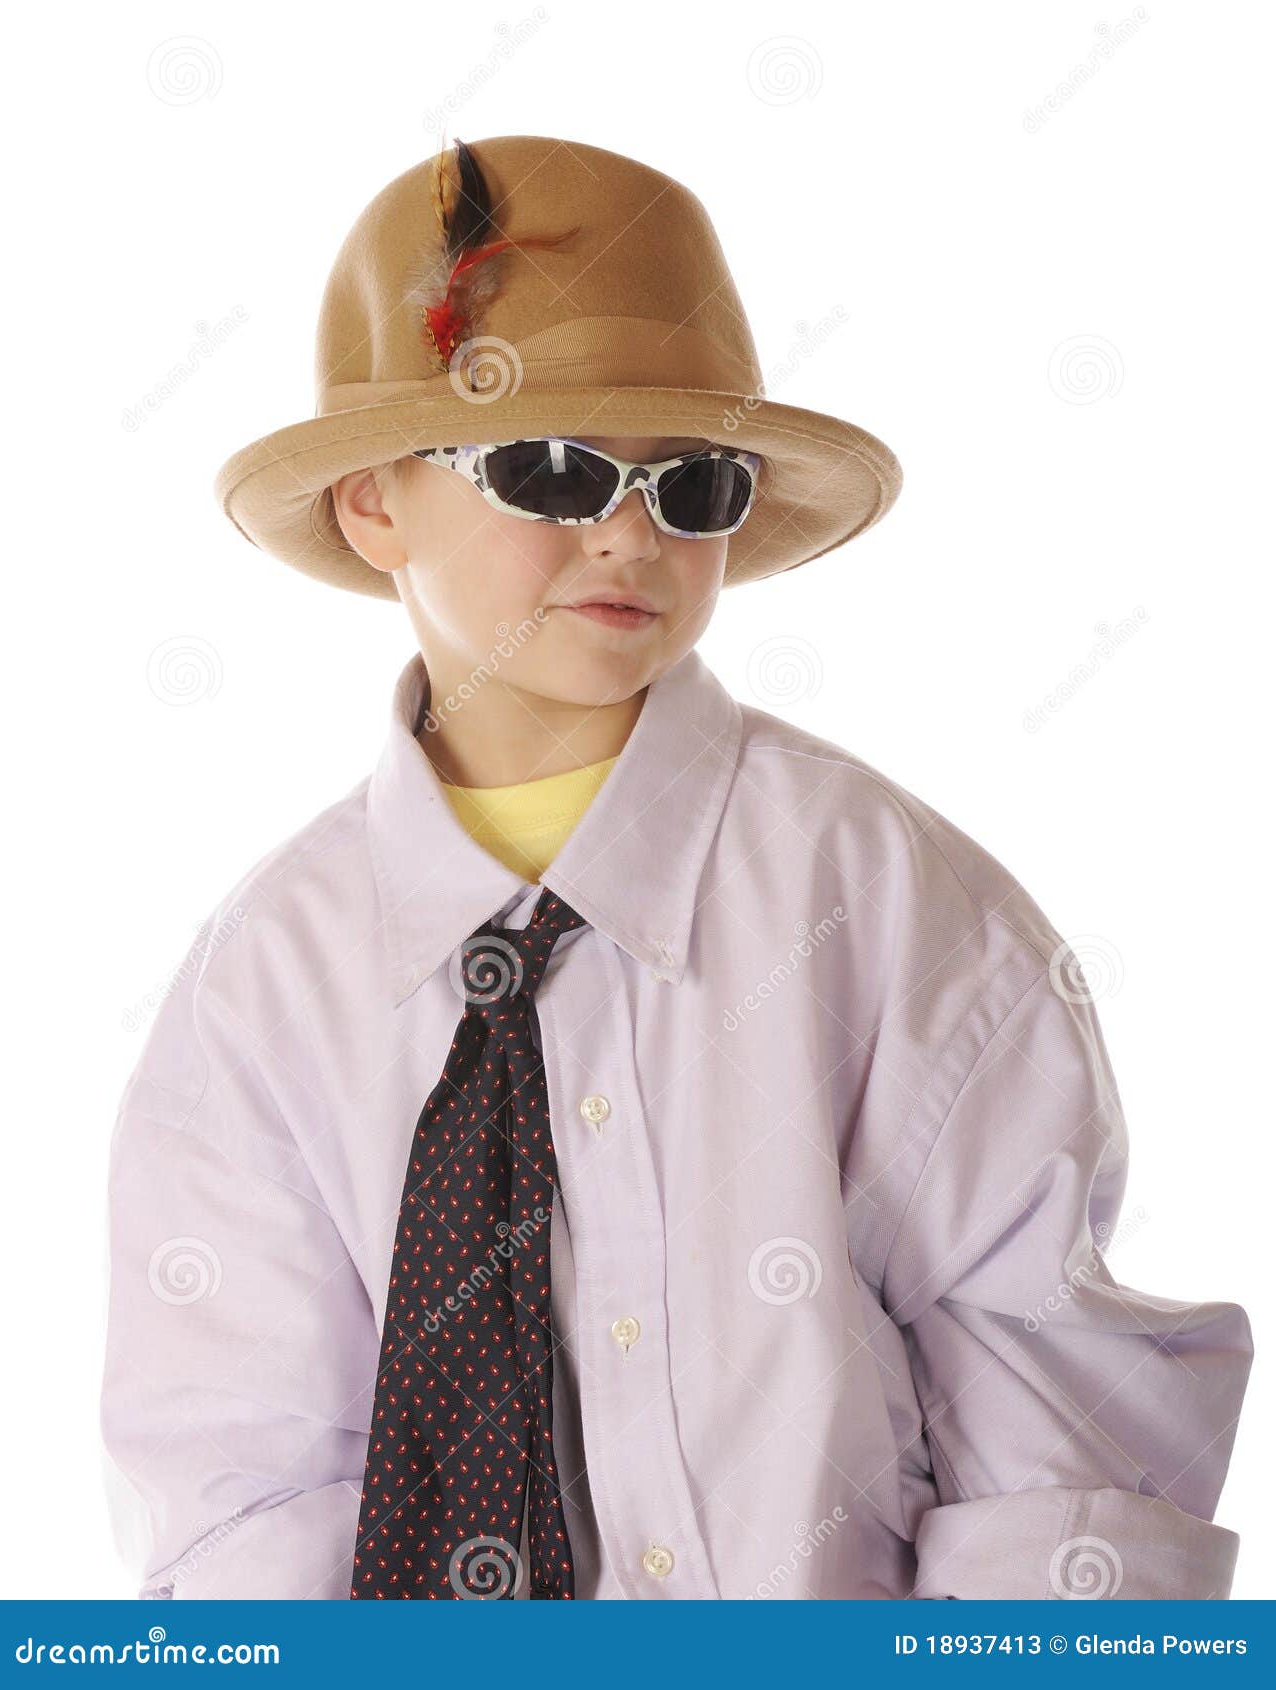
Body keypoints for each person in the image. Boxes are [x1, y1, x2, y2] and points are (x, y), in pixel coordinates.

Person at [99, 133, 1251, 1601]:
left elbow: (1051, 1425)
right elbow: (245, 1485)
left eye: (690, 484)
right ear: (376, 500)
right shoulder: (268, 985)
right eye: (551, 467)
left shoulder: (884, 904)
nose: (629, 531)